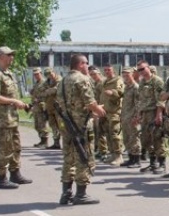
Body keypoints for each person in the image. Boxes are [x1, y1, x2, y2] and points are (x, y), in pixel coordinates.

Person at [56, 54, 106, 204]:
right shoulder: (82, 79)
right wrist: (99, 110)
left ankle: (66, 193)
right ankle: (81, 194)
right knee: (84, 157)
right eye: (85, 63)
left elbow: (62, 103)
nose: (87, 66)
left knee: (68, 158)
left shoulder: (63, 80)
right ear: (79, 65)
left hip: (67, 125)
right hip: (81, 125)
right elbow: (90, 102)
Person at [0, 46, 32, 189]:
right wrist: (14, 101)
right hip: (2, 118)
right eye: (8, 55)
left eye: (12, 55)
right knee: (4, 148)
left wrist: (21, 104)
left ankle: (15, 173)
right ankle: (0, 178)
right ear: (0, 57)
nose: (12, 57)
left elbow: (10, 95)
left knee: (16, 147)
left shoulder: (9, 74)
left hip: (11, 117)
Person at [133, 60, 165, 174]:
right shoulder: (142, 82)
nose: (141, 71)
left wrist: (159, 114)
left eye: (143, 69)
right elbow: (140, 100)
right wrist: (138, 115)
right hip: (145, 113)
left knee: (157, 137)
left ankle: (162, 163)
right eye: (139, 70)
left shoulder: (157, 81)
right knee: (146, 139)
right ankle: (152, 163)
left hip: (154, 112)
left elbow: (161, 99)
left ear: (148, 68)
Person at [100, 64, 125, 165]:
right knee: (108, 134)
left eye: (109, 70)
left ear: (113, 71)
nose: (107, 72)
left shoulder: (117, 80)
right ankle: (112, 154)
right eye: (105, 70)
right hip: (105, 110)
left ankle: (119, 155)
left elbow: (121, 92)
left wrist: (113, 92)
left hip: (114, 111)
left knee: (115, 134)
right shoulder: (105, 82)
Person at [119, 67, 142, 167]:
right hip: (125, 117)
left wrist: (136, 117)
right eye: (123, 75)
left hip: (132, 117)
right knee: (127, 138)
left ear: (132, 74)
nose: (125, 77)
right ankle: (131, 158)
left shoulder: (135, 87)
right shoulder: (126, 87)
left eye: (127, 75)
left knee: (134, 138)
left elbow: (138, 104)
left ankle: (136, 160)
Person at [29, 68, 51, 148]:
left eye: (37, 74)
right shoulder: (36, 83)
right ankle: (41, 141)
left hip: (42, 106)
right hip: (36, 107)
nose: (36, 76)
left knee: (43, 125)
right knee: (37, 125)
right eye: (35, 74)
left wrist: (40, 99)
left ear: (41, 73)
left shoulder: (45, 83)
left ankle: (45, 142)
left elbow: (48, 93)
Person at [43, 68, 62, 149]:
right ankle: (56, 142)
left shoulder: (59, 80)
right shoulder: (47, 82)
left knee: (62, 125)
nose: (49, 75)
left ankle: (67, 142)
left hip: (58, 107)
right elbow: (41, 92)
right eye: (47, 74)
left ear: (54, 72)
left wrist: (48, 91)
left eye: (50, 73)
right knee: (53, 125)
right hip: (50, 107)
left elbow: (56, 89)